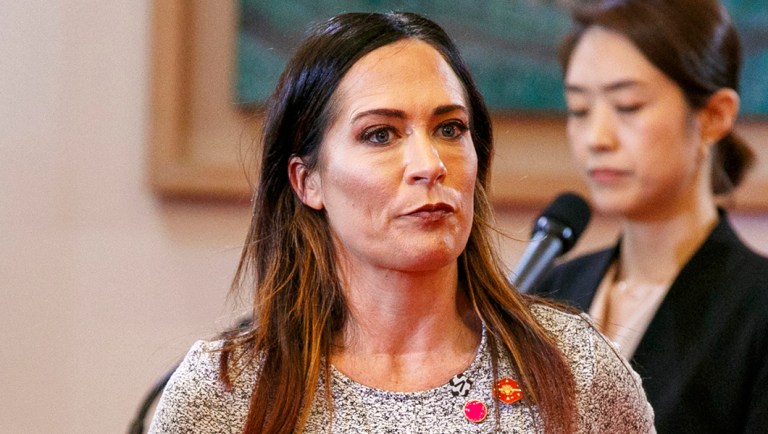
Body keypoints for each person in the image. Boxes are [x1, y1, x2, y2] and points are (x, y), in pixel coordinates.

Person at [148, 11, 653, 433]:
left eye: (450, 128)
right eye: (381, 135)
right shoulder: (226, 393)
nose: (429, 164)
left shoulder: (572, 367)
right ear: (308, 182)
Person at [531, 1, 768, 433]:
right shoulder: (549, 290)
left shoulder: (757, 306)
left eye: (628, 106)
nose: (596, 138)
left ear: (715, 116)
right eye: (580, 110)